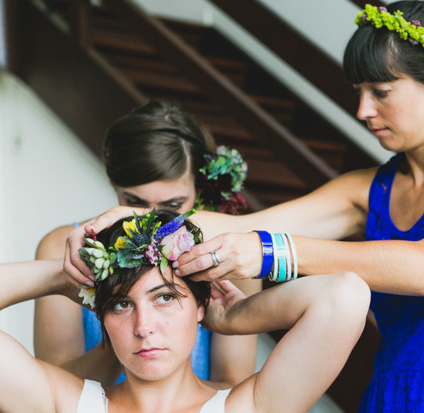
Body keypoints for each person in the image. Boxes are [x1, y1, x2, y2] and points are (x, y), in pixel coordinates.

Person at [64, 2, 424, 410]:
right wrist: (138, 220)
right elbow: (245, 225)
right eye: (358, 91)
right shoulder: (365, 189)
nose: (362, 110)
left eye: (381, 91)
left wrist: (270, 250)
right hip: (394, 398)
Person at [0, 209, 370, 412]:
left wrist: (234, 319)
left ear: (200, 305)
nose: (144, 327)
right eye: (122, 305)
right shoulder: (63, 404)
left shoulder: (248, 407)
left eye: (166, 297)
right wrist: (64, 278)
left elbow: (345, 295)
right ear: (101, 316)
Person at [34, 100, 259, 387]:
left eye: (173, 204)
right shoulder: (61, 246)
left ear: (198, 188)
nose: (151, 220)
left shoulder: (233, 255)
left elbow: (232, 385)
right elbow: (53, 389)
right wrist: (127, 331)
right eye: (133, 203)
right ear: (113, 184)